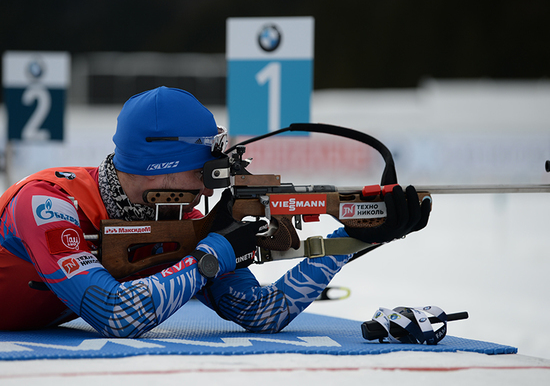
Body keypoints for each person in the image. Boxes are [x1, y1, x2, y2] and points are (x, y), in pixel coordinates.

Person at [0, 86, 430, 337]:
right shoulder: (47, 203)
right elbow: (116, 315)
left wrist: (351, 240)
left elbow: (263, 312)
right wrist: (211, 258)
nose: (210, 186)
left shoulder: (179, 220)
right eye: (203, 170)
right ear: (161, 167)